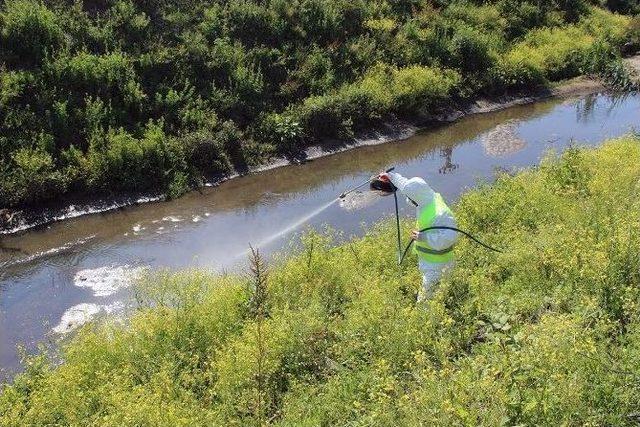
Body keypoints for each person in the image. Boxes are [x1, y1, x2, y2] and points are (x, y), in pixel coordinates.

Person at [379, 171, 458, 301]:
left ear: (417, 197)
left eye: (411, 198)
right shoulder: (427, 198)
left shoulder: (440, 213)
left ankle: (428, 319)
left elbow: (451, 237)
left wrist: (425, 237)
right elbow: (408, 186)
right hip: (429, 261)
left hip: (438, 264)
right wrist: (391, 177)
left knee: (426, 301)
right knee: (441, 294)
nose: (409, 200)